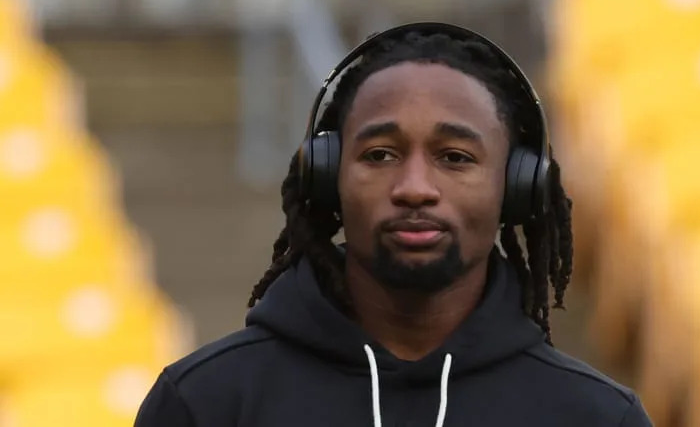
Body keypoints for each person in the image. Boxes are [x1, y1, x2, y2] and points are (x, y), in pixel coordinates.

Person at [134, 22, 652, 426]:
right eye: (380, 154)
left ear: (516, 187)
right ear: (327, 177)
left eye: (454, 157)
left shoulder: (597, 417)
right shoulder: (205, 403)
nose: (414, 187)